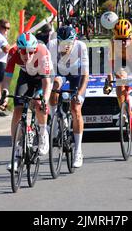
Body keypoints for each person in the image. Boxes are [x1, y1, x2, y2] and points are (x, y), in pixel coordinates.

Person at [0, 32, 52, 172]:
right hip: (26, 77)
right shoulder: (13, 53)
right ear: (18, 49)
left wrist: (44, 100)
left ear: (35, 49)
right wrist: (4, 92)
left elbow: (47, 83)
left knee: (39, 104)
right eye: (23, 52)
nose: (27, 56)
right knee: (17, 110)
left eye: (30, 52)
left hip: (42, 78)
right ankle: (16, 152)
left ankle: (42, 133)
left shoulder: (42, 51)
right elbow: (7, 77)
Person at [48, 25, 89, 168]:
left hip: (77, 76)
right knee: (54, 88)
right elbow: (51, 72)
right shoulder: (52, 45)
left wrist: (79, 93)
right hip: (61, 73)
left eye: (68, 44)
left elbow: (85, 75)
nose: (64, 47)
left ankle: (78, 150)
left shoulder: (81, 47)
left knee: (76, 109)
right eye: (62, 43)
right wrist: (54, 85)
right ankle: (55, 121)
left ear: (74, 41)